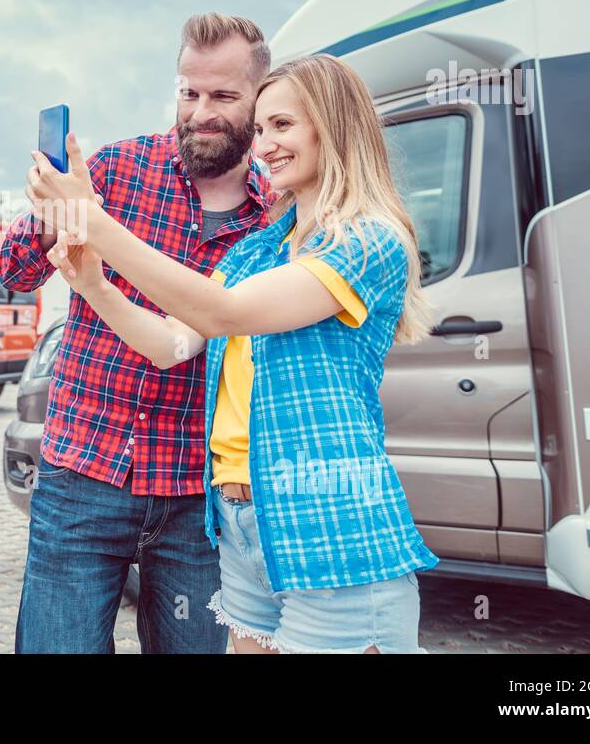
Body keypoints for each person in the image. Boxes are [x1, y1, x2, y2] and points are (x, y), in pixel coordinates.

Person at [29, 53, 440, 654]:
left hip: (328, 516)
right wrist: (92, 283)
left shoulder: (368, 242)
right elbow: (172, 342)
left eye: (283, 126)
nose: (263, 145)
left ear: (333, 126)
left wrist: (92, 221)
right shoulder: (257, 252)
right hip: (241, 523)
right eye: (262, 128)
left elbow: (225, 314)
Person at [2, 13, 277, 653]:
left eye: (223, 96)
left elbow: (191, 340)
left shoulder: (274, 215)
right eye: (189, 92)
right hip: (84, 473)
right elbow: (15, 270)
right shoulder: (117, 169)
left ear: (259, 100)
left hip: (197, 494)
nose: (200, 112)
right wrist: (54, 217)